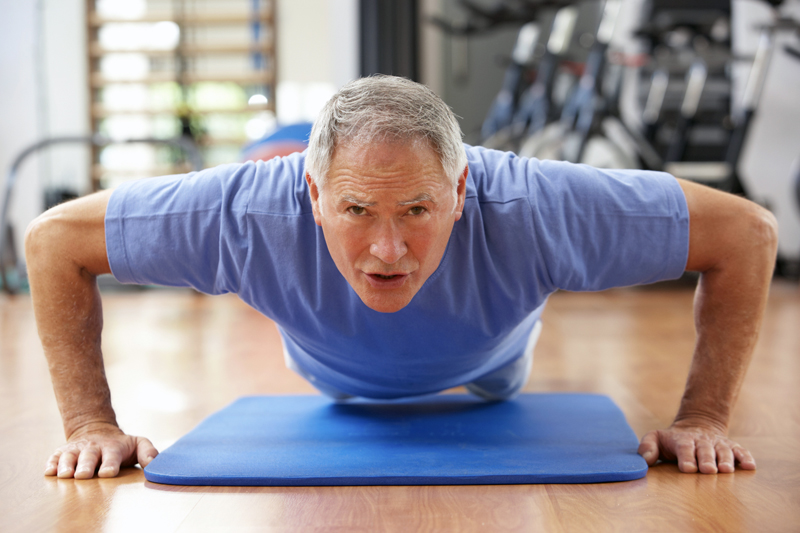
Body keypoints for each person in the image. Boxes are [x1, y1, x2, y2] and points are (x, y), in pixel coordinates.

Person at [25, 75, 777, 480]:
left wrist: (703, 417)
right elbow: (56, 242)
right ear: (312, 194)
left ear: (462, 186)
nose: (388, 249)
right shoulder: (241, 213)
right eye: (356, 207)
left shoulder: (538, 204)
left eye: (418, 207)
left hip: (494, 361)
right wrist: (90, 424)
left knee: (501, 370)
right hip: (330, 371)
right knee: (345, 369)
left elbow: (746, 232)